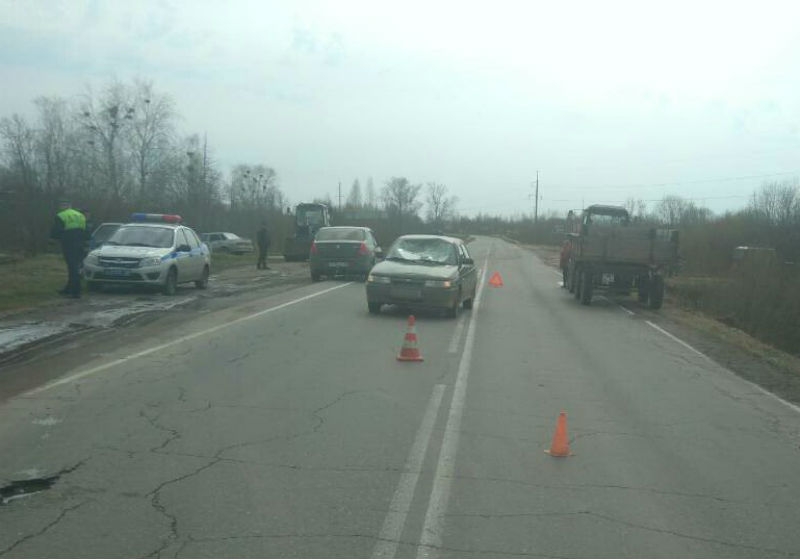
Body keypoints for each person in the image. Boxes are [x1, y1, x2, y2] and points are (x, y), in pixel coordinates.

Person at [50, 201, 86, 298]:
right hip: (80, 242)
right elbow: (85, 230)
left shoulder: (61, 215)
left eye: (61, 205)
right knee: (76, 265)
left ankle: (76, 291)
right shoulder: (80, 215)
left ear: (63, 206)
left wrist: (52, 239)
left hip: (69, 242)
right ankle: (69, 288)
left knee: (72, 266)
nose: (60, 207)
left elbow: (57, 230)